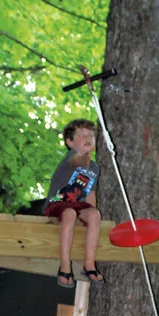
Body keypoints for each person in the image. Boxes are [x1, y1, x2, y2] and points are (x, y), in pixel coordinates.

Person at [44, 119, 104, 288]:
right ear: (69, 142)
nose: (87, 138)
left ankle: (89, 264)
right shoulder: (71, 157)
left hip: (78, 204)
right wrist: (84, 153)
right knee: (69, 213)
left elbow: (90, 192)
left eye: (91, 135)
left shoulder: (94, 168)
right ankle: (65, 266)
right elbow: (77, 160)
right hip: (59, 202)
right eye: (81, 135)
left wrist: (90, 214)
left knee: (94, 215)